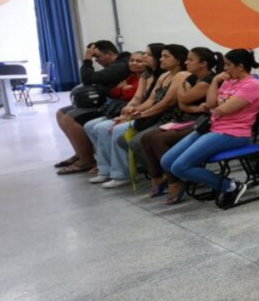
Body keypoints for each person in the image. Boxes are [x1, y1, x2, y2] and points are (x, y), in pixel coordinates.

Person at [161, 49, 259, 208]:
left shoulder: (252, 85)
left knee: (180, 167)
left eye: (228, 65)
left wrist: (207, 108)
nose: (225, 68)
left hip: (233, 132)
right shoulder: (229, 80)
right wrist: (215, 81)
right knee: (167, 161)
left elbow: (222, 109)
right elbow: (211, 104)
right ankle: (217, 183)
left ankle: (230, 186)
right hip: (212, 127)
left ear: (240, 66)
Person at [89, 44, 188, 189]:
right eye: (161, 56)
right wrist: (131, 110)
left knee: (129, 137)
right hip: (155, 115)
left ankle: (161, 174)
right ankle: (150, 170)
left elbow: (167, 103)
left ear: (178, 60)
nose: (143, 58)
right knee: (106, 131)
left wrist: (139, 114)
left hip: (170, 117)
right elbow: (149, 100)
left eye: (165, 56)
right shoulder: (160, 75)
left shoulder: (181, 75)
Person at [138, 47, 221, 202]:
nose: (186, 62)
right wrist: (188, 103)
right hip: (185, 118)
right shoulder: (191, 79)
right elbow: (182, 104)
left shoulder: (209, 80)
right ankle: (157, 177)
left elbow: (183, 98)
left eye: (190, 60)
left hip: (202, 123)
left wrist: (183, 94)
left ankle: (175, 181)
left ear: (203, 63)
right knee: (146, 137)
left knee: (159, 139)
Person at [54, 40, 133, 175]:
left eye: (98, 57)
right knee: (61, 113)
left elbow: (88, 78)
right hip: (108, 101)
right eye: (94, 58)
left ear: (110, 54)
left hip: (114, 104)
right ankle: (80, 153)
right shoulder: (115, 64)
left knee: (70, 118)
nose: (96, 61)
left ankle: (86, 160)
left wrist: (87, 60)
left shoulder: (121, 65)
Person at [81, 52, 150, 179]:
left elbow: (137, 96)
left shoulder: (147, 77)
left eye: (139, 61)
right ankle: (106, 167)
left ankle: (120, 173)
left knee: (105, 128)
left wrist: (126, 90)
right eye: (132, 60)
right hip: (123, 110)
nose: (134, 63)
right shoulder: (132, 76)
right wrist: (125, 89)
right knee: (89, 126)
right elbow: (114, 92)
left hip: (139, 113)